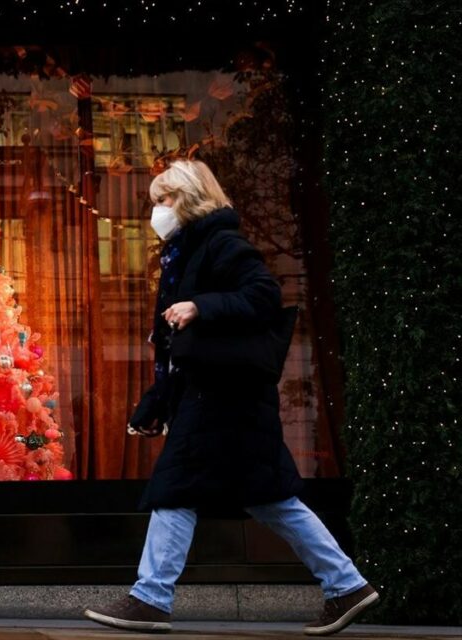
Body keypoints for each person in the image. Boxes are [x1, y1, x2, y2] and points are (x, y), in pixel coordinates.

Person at [82, 160, 378, 636]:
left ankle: (151, 598)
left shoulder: (220, 244)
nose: (156, 211)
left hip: (224, 399)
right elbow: (181, 349)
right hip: (224, 399)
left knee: (175, 488)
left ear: (191, 199)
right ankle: (347, 585)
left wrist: (202, 304)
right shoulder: (186, 252)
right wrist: (155, 405)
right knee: (270, 497)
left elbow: (262, 295)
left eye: (165, 200)